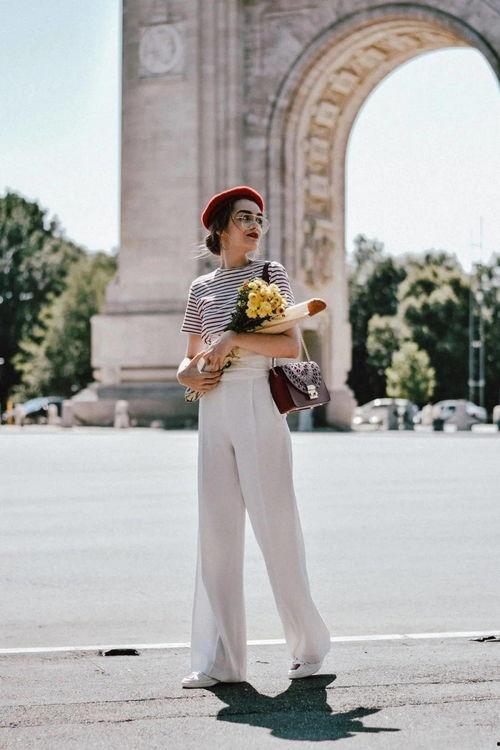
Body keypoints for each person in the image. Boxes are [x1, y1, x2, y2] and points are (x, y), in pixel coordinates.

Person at [177, 185, 331, 689]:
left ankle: (308, 644)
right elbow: (189, 356)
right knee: (216, 533)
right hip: (213, 408)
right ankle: (221, 661)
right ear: (221, 227)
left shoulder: (270, 274)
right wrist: (185, 374)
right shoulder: (200, 288)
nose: (255, 225)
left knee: (275, 526)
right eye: (245, 217)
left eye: (259, 218)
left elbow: (290, 344)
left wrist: (235, 337)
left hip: (258, 402)